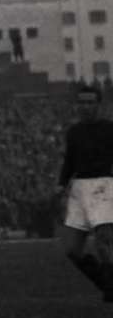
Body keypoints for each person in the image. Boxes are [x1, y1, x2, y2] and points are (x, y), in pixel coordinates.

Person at [53, 84, 113, 302]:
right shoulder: (74, 132)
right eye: (82, 102)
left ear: (98, 105)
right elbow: (70, 161)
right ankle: (105, 283)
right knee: (71, 249)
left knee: (103, 241)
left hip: (103, 185)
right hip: (79, 188)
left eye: (90, 102)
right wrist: (61, 185)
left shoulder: (109, 129)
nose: (85, 107)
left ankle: (110, 288)